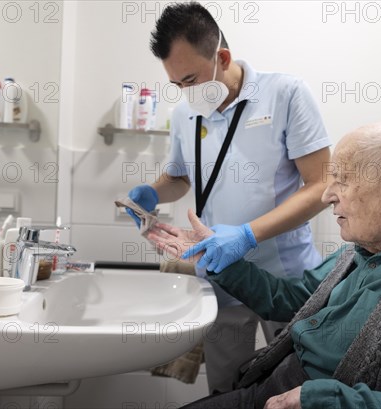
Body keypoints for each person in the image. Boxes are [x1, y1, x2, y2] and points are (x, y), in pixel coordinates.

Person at [147, 121, 381, 409]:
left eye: (341, 181)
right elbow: (292, 301)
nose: (326, 196)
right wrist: (219, 260)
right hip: (275, 384)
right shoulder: (366, 248)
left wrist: (328, 400)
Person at [127, 2, 332, 393]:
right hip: (222, 276)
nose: (186, 92)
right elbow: (179, 178)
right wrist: (151, 193)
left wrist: (248, 234)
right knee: (226, 390)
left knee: (298, 386)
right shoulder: (185, 114)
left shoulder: (285, 94)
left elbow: (321, 186)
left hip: (286, 279)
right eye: (177, 84)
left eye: (190, 79)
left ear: (222, 57)